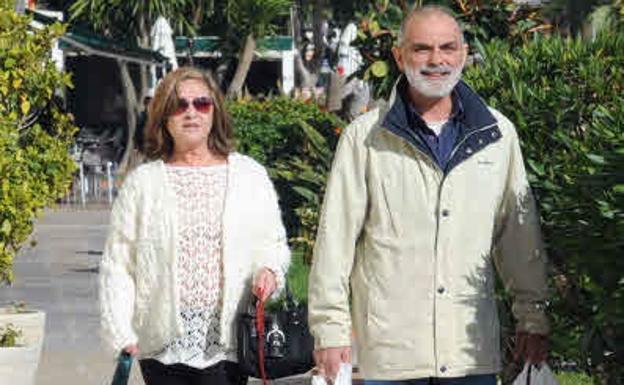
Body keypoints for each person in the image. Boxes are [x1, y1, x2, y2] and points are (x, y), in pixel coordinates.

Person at [308, 5, 549, 385]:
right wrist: (330, 329)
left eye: (447, 48)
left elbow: (518, 235)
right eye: (421, 49)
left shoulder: (498, 135)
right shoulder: (364, 138)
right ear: (399, 56)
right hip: (392, 354)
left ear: (464, 54)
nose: (436, 60)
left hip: (470, 353)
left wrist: (532, 316)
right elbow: (336, 239)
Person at [99, 66, 290, 385]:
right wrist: (121, 332)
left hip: (229, 343)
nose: (191, 113)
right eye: (179, 105)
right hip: (161, 345)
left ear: (215, 111)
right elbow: (118, 265)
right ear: (163, 116)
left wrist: (269, 270)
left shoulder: (249, 176)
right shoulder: (142, 184)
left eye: (201, 103)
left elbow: (272, 244)